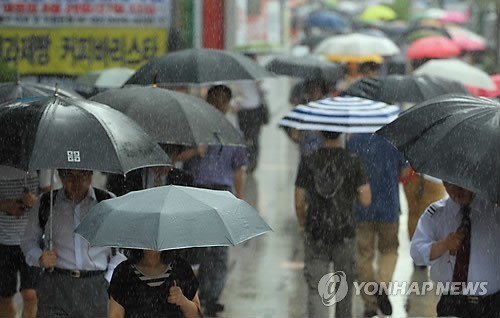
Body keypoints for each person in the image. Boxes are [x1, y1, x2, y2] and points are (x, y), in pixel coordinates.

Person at [178, 85, 248, 316]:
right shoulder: (193, 129)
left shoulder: (234, 134)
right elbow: (174, 158)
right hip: (196, 191)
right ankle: (194, 293)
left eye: (223, 102)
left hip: (221, 193)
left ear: (228, 105)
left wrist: (239, 200)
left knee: (218, 248)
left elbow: (239, 170)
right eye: (215, 101)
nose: (219, 106)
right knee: (196, 246)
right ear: (207, 102)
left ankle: (212, 295)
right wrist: (194, 151)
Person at [21, 169, 126, 318]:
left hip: (95, 285)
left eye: (82, 175)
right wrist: (39, 257)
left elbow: (121, 248)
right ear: (59, 175)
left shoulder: (107, 202)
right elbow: (28, 241)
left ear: (91, 175)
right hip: (56, 284)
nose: (76, 182)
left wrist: (108, 278)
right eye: (69, 175)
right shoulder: (47, 202)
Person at [295, 131, 371, 318]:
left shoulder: (308, 160)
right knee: (343, 289)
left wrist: (304, 224)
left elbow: (298, 200)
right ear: (343, 133)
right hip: (344, 232)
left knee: (316, 289)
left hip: (316, 231)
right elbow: (366, 199)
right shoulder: (353, 160)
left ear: (321, 133)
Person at [411, 182, 500, 317]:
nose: (458, 190)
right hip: (452, 304)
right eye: (451, 184)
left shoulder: (493, 211)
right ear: (444, 183)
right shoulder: (436, 214)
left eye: (463, 184)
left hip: (491, 304)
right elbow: (416, 252)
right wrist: (444, 245)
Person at [346, 133, 410, 318]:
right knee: (389, 249)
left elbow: (350, 173)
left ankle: (370, 305)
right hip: (389, 207)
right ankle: (382, 284)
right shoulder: (394, 140)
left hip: (362, 207)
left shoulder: (354, 141)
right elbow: (405, 172)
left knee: (364, 255)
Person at [0, 167, 50, 318]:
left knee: (31, 294)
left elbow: (50, 198)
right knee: (4, 297)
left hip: (31, 240)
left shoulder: (40, 163)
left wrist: (35, 201)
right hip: (3, 241)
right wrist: (6, 205)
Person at [108, 249, 201, 318]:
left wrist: (182, 301)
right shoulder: (123, 271)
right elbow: (115, 315)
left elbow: (196, 315)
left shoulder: (181, 267)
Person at [232, 79, 269, 173]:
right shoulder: (239, 76)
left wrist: (259, 84)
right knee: (244, 136)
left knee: (254, 136)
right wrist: (235, 103)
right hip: (242, 110)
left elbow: (266, 90)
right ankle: (246, 158)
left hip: (256, 110)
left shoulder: (257, 75)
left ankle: (253, 160)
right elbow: (234, 92)